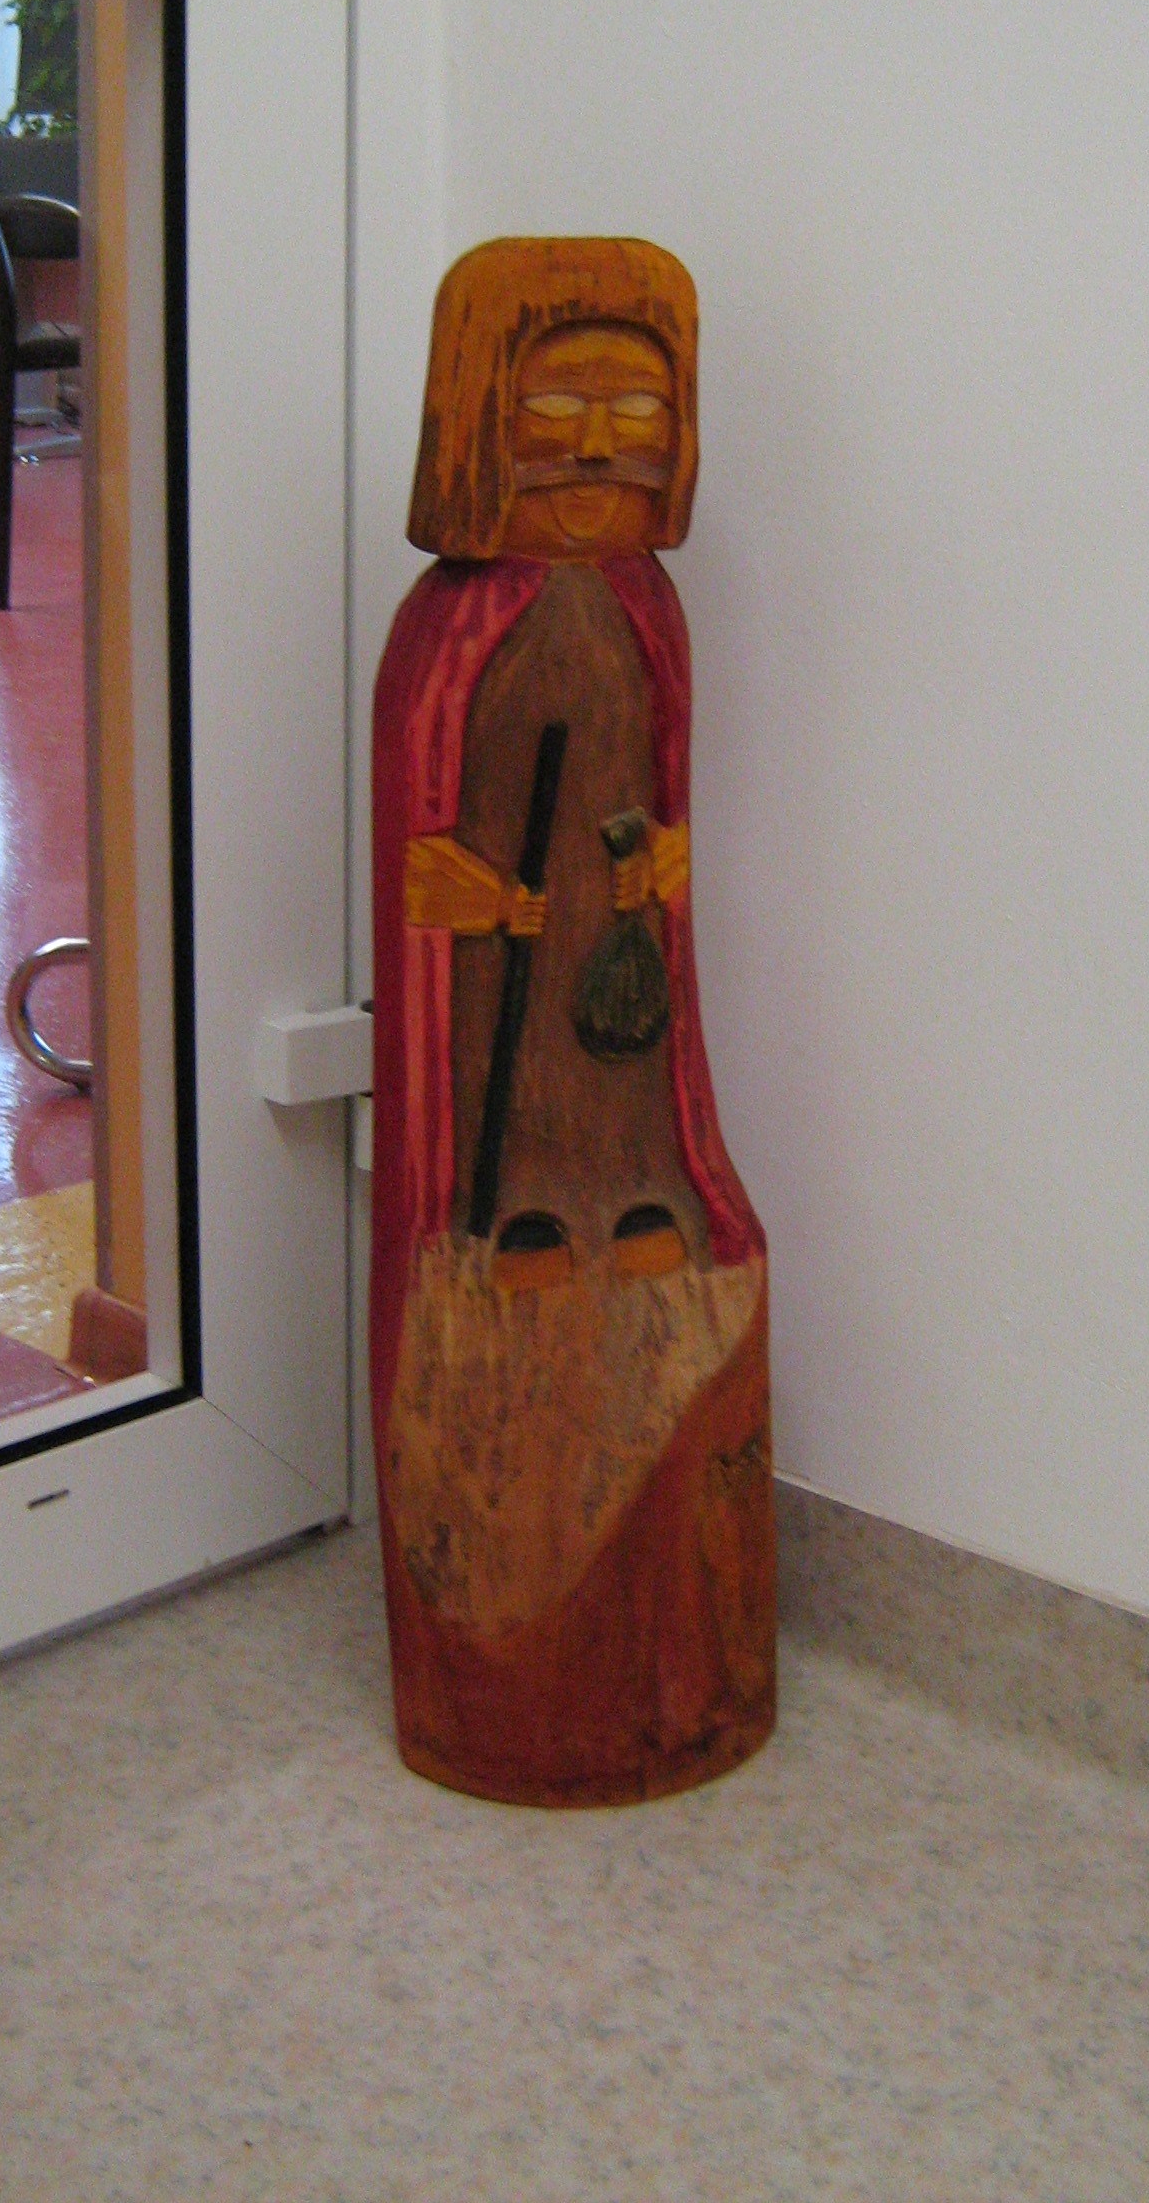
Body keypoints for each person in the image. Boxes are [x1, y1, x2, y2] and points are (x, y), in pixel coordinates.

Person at [370, 237, 774, 1806]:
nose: (601, 448)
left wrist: (657, 856)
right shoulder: (454, 623)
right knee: (519, 1089)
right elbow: (422, 811)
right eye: (556, 409)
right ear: (481, 419)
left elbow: (663, 765)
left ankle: (633, 1212)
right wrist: (467, 889)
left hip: (616, 948)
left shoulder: (650, 605)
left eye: (637, 412)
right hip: (494, 983)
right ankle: (522, 1224)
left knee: (626, 1096)